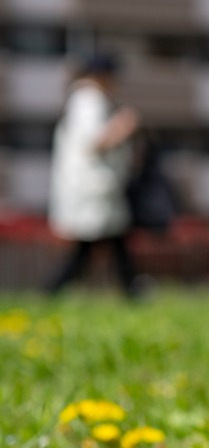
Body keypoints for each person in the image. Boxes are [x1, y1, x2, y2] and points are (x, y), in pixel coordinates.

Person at [45, 55, 142, 298]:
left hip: (94, 189)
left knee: (98, 246)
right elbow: (96, 142)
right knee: (101, 244)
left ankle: (133, 291)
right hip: (94, 189)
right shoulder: (89, 100)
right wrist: (124, 125)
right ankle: (133, 292)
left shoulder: (82, 99)